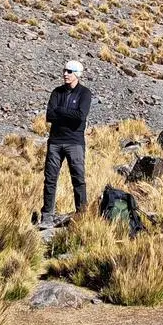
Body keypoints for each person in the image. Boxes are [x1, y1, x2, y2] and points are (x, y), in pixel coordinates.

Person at [38, 60, 92, 226]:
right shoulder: (57, 92)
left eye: (69, 71)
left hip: (74, 142)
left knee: (78, 178)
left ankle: (82, 214)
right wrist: (68, 114)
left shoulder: (84, 93)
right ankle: (47, 215)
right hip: (55, 142)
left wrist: (61, 111)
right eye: (64, 70)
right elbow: (50, 116)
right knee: (50, 178)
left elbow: (80, 117)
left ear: (77, 74)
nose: (65, 74)